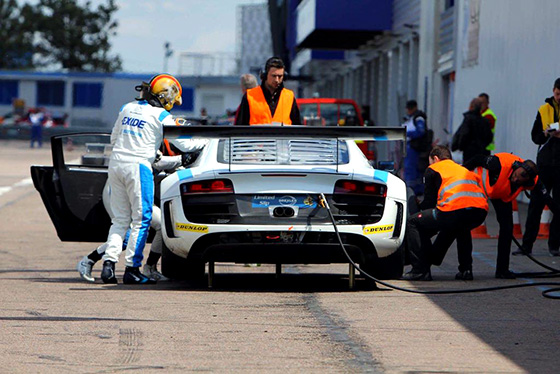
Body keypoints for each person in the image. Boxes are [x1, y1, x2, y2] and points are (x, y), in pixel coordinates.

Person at [98, 74, 183, 284]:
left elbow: (114, 138)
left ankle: (108, 266)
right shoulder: (162, 115)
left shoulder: (126, 108)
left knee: (119, 221)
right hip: (139, 168)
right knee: (142, 219)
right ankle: (132, 270)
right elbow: (184, 144)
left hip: (116, 163)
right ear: (166, 96)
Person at [403, 145, 488, 281]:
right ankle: (466, 270)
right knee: (461, 228)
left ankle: (420, 270)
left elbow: (429, 203)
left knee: (414, 222)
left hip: (453, 211)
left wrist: (420, 208)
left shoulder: (434, 168)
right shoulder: (462, 169)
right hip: (479, 212)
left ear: (435, 158)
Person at [464, 153, 538, 278]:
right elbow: (476, 158)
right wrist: (460, 175)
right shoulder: (496, 163)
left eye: (519, 181)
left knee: (507, 229)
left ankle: (502, 270)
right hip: (478, 188)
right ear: (515, 168)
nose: (515, 180)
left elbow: (548, 199)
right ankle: (465, 270)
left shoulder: (533, 181)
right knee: (464, 226)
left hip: (500, 193)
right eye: (515, 176)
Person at [516, 78, 560, 257]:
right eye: (557, 94)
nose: (559, 98)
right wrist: (546, 133)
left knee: (559, 207)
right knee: (536, 205)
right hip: (545, 164)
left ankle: (554, 245)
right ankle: (527, 245)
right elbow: (535, 137)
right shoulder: (544, 110)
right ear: (553, 91)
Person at [234, 57, 301, 126]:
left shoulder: (289, 96)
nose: (277, 80)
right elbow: (240, 127)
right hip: (256, 136)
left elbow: (298, 127)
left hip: (282, 136)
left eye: (280, 76)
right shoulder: (250, 96)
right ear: (265, 75)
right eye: (273, 76)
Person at [451, 98, 493, 164]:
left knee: (469, 171)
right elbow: (489, 137)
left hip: (469, 153)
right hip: (482, 153)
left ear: (471, 106)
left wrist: (460, 146)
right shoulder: (485, 121)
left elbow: (463, 134)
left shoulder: (468, 119)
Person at [401, 100, 428, 196]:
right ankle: (412, 190)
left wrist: (406, 133)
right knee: (411, 169)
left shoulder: (418, 118)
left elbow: (420, 131)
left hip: (414, 148)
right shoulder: (411, 118)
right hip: (410, 147)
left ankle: (412, 191)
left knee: (412, 170)